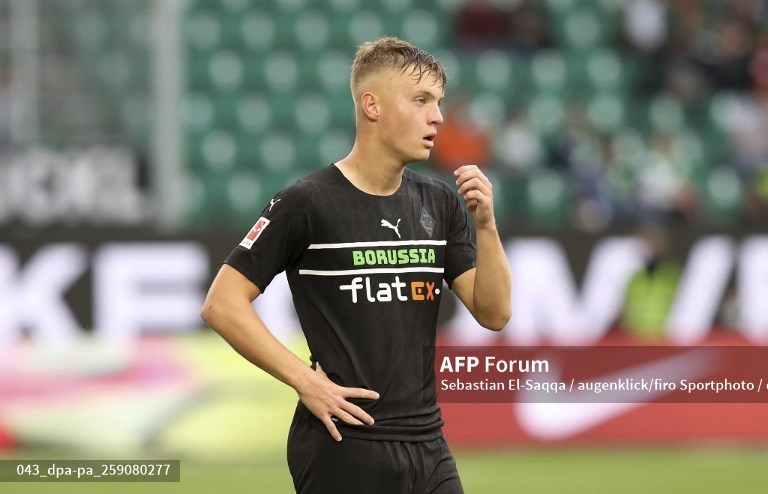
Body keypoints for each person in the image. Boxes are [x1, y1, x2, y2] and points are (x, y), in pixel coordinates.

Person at [200, 37, 512, 494]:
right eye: (421, 100)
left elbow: (495, 313)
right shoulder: (306, 203)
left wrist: (485, 224)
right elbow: (222, 305)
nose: (438, 117)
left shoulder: (440, 201)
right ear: (373, 106)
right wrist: (306, 381)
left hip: (428, 444)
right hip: (344, 443)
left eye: (439, 103)